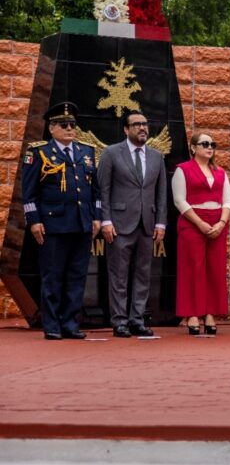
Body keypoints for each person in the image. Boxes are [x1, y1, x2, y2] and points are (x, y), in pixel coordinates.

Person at [19, 102, 101, 340]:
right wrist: (33, 220)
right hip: (53, 224)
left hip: (81, 223)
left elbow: (95, 190)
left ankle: (70, 323)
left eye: (73, 125)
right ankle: (52, 324)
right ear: (51, 128)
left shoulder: (86, 151)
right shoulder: (38, 152)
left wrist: (96, 217)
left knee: (77, 276)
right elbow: (29, 191)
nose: (69, 129)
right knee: (53, 275)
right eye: (64, 125)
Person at [98, 110, 167, 338]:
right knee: (118, 275)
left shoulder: (156, 157)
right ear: (126, 129)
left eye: (145, 124)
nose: (142, 128)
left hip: (147, 224)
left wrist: (161, 224)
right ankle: (119, 321)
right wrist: (105, 220)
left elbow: (161, 194)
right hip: (119, 224)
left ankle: (137, 319)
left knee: (143, 274)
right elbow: (103, 189)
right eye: (136, 124)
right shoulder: (111, 153)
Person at [173, 134, 230, 336]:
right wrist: (199, 222)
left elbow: (228, 201)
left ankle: (210, 313)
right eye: (204, 144)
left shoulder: (220, 172)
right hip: (192, 222)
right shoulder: (183, 170)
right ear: (193, 148)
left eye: (212, 144)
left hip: (218, 222)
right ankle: (192, 314)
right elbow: (180, 201)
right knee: (193, 267)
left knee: (215, 269)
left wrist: (222, 222)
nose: (209, 147)